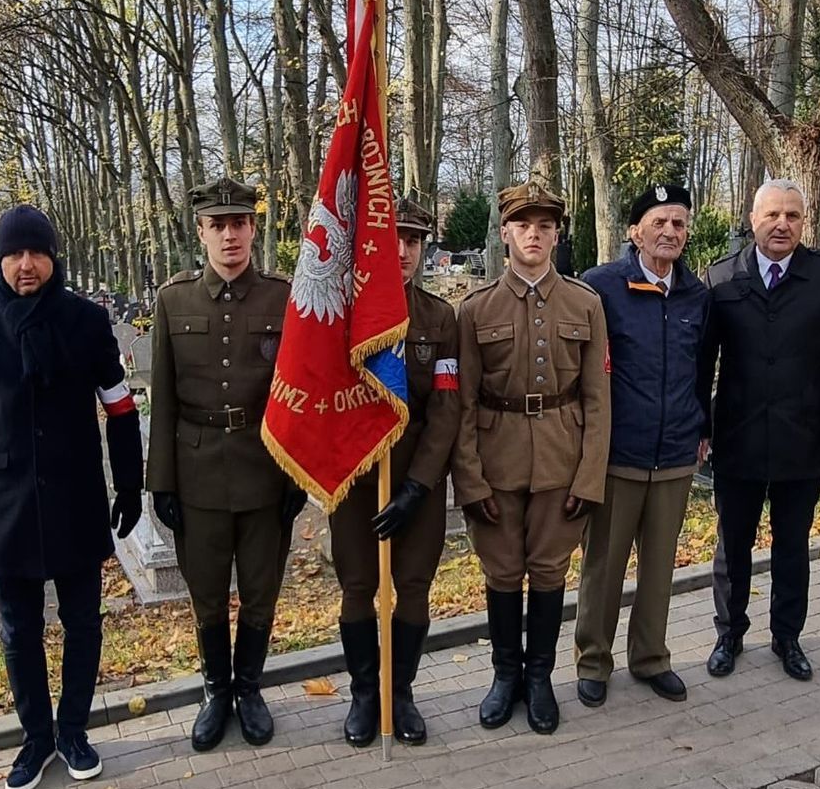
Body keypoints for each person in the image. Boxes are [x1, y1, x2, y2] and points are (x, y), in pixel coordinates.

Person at [0, 204, 143, 789]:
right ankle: (36, 738)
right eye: (14, 254)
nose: (25, 264)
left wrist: (129, 483)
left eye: (36, 252)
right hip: (5, 506)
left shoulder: (85, 321)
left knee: (84, 620)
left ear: (53, 258)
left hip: (75, 498)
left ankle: (74, 731)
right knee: (18, 629)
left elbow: (119, 405)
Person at [147, 177, 306, 752]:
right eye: (218, 225)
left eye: (239, 223)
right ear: (201, 232)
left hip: (265, 467)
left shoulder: (283, 298)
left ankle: (250, 689)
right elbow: (161, 398)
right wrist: (159, 482)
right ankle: (217, 692)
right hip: (197, 473)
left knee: (261, 590)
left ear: (254, 228)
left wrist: (296, 475)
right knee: (208, 592)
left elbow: (301, 391)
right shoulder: (174, 300)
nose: (230, 235)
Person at [453, 180, 610, 734]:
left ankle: (539, 677)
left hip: (562, 464)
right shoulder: (474, 310)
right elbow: (463, 404)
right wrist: (469, 483)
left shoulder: (585, 303)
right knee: (501, 573)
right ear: (505, 233)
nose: (534, 235)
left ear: (557, 233)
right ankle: (505, 677)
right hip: (496, 466)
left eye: (545, 225)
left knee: (548, 573)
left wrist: (590, 477)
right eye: (524, 225)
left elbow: (597, 398)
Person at [698, 178, 820, 682]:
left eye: (792, 215)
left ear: (803, 222)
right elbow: (702, 364)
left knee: (793, 544)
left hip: (802, 434)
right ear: (753, 220)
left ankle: (787, 637)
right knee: (733, 544)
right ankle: (730, 633)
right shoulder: (721, 278)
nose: (782, 224)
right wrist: (701, 426)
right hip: (738, 435)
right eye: (772, 215)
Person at [328, 198, 459, 747]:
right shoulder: (341, 315)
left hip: (416, 484)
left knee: (413, 588)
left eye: (413, 241)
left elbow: (447, 408)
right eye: (392, 239)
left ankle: (400, 692)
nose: (402, 251)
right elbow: (323, 398)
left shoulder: (439, 318)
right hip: (355, 480)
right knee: (358, 587)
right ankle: (364, 694)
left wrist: (416, 486)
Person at [574, 184, 708, 707]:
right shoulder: (600, 288)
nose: (670, 232)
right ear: (635, 230)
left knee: (659, 566)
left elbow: (702, 370)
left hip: (675, 454)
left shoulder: (697, 294)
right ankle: (593, 661)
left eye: (679, 223)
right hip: (618, 455)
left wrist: (703, 429)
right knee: (603, 567)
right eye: (659, 222)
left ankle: (651, 657)